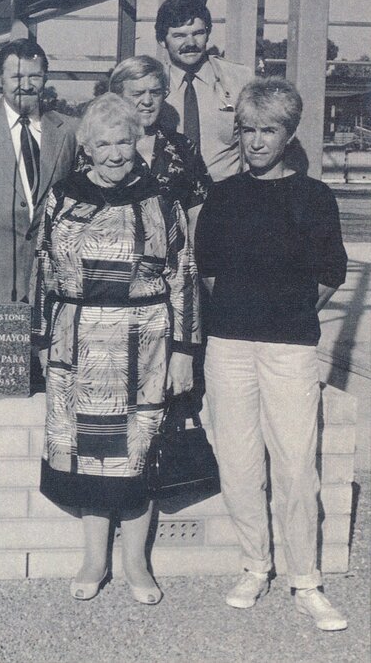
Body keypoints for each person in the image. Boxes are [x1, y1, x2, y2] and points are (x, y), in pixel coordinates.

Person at [33, 93, 199, 605]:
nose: (114, 153)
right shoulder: (61, 198)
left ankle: (136, 565)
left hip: (144, 342)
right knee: (88, 454)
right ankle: (94, 558)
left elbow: (183, 277)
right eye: (102, 143)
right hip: (76, 342)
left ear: (136, 142)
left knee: (137, 452)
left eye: (122, 141)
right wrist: (41, 340)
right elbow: (42, 271)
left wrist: (184, 350)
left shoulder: (161, 199)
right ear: (86, 147)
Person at [195, 78, 348, 632]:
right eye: (248, 130)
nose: (257, 142)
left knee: (293, 465)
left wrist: (285, 310)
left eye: (269, 131)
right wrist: (243, 311)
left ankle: (305, 578)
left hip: (289, 347)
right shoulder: (224, 194)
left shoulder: (314, 196)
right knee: (237, 463)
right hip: (230, 344)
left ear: (288, 134)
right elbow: (207, 270)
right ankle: (254, 566)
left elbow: (332, 272)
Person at [0, 38, 78, 305]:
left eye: (35, 76)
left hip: (52, 284)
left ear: (45, 79)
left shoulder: (69, 131)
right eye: (17, 76)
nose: (26, 85)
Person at [76, 55, 211, 241]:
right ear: (118, 96)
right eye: (138, 94)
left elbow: (197, 214)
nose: (147, 101)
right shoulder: (98, 148)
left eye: (155, 92)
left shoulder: (184, 147)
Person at [155, 0, 253, 182]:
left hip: (226, 198)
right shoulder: (152, 84)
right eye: (179, 36)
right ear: (162, 40)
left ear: (208, 34)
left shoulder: (240, 79)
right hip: (168, 198)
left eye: (198, 33)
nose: (190, 43)